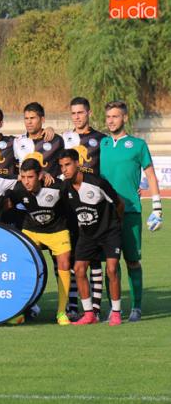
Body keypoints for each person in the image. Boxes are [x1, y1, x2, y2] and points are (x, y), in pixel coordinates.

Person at [99, 100, 163, 322]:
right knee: (110, 263)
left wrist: (157, 207)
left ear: (124, 118)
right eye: (108, 117)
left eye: (115, 116)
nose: (111, 121)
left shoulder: (138, 145)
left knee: (132, 260)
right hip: (105, 214)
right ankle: (114, 308)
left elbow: (151, 175)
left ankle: (136, 307)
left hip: (131, 211)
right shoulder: (102, 144)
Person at [59, 149, 124, 326]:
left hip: (109, 232)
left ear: (77, 163)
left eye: (68, 165)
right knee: (79, 269)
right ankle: (89, 314)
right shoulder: (65, 187)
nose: (64, 169)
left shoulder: (97, 183)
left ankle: (116, 313)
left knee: (111, 269)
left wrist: (117, 225)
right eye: (62, 166)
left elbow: (119, 204)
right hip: (87, 234)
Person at [9, 159, 72, 325]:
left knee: (64, 264)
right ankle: (22, 310)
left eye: (30, 177)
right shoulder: (18, 189)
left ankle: (62, 312)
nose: (26, 181)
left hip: (57, 230)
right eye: (23, 177)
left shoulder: (57, 186)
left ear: (40, 176)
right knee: (23, 265)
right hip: (32, 230)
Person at [60, 97, 106, 319]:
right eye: (73, 113)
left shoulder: (101, 140)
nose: (77, 117)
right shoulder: (63, 139)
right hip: (71, 205)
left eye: (80, 112)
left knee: (95, 260)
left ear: (89, 113)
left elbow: (108, 170)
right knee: (73, 258)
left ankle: (95, 308)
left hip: (94, 205)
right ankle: (72, 306)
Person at [14, 102, 64, 178]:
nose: (29, 122)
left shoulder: (56, 140)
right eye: (26, 118)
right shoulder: (17, 141)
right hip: (26, 184)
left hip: (51, 184)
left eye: (32, 118)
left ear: (42, 119)